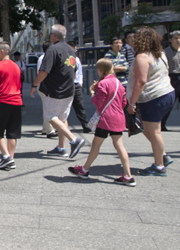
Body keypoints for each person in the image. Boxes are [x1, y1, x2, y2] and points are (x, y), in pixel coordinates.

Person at [68, 58, 135, 186]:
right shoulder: (118, 83)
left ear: (100, 70)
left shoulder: (102, 84)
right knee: (119, 146)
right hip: (118, 118)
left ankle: (84, 170)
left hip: (105, 119)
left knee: (95, 145)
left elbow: (100, 104)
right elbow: (124, 102)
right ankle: (128, 175)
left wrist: (93, 93)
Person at [30, 24, 85, 159]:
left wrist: (34, 85)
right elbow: (73, 70)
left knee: (50, 117)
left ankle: (74, 139)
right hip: (69, 89)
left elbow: (44, 71)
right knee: (62, 118)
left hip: (55, 89)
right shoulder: (71, 50)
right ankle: (61, 148)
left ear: (54, 36)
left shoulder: (52, 50)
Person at [126, 27, 175, 176]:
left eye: (136, 38)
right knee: (149, 130)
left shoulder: (142, 57)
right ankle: (162, 155)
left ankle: (159, 165)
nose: (133, 40)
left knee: (153, 132)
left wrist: (132, 103)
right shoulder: (159, 54)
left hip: (153, 98)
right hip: (166, 93)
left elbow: (141, 81)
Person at [0, 43, 23, 170]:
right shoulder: (16, 66)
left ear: (2, 52)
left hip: (2, 101)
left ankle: (6, 157)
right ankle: (10, 158)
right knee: (12, 133)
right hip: (17, 101)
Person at [67, 41, 91, 133]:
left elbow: (80, 72)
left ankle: (85, 125)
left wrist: (80, 83)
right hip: (67, 85)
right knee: (65, 107)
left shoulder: (76, 59)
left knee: (79, 106)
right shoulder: (66, 58)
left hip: (76, 84)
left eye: (74, 48)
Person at [36, 42, 57, 138]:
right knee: (48, 107)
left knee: (46, 106)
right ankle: (49, 130)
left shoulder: (43, 57)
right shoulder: (45, 58)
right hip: (44, 84)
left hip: (44, 84)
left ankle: (45, 128)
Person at [161, 30, 180, 131]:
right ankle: (162, 123)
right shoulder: (166, 52)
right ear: (170, 40)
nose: (178, 40)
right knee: (170, 102)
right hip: (172, 77)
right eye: (176, 38)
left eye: (179, 38)